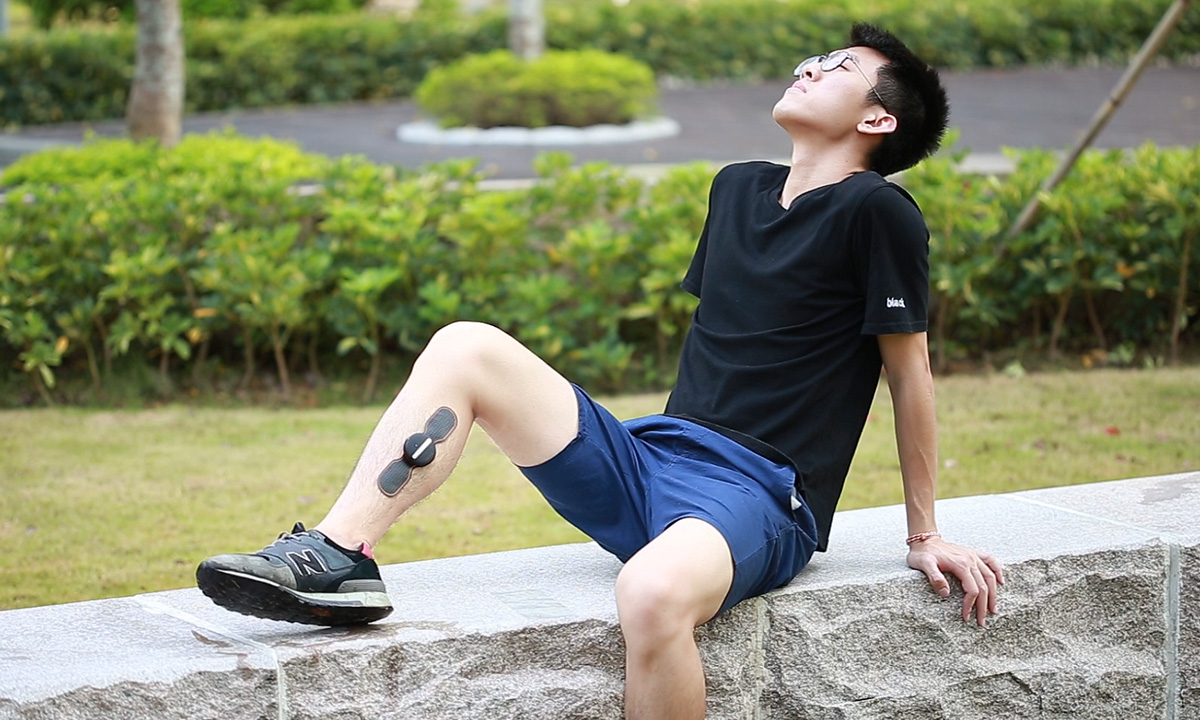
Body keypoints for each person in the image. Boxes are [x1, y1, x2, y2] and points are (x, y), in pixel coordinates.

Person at [196, 22, 1004, 720]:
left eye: (840, 67)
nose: (811, 67)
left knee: (649, 595)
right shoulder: (736, 190)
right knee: (466, 344)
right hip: (651, 460)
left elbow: (910, 376)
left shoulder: (879, 211)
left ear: (877, 118)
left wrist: (924, 534)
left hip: (756, 495)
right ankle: (340, 555)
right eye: (816, 58)